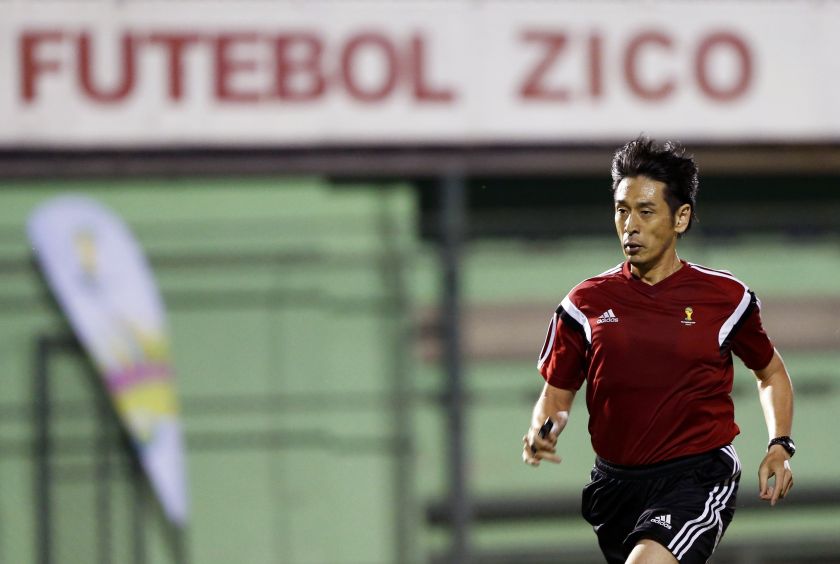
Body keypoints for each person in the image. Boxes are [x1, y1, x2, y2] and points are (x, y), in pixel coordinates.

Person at [521, 137, 795, 564]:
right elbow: (556, 397)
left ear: (680, 218)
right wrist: (544, 430)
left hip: (699, 475)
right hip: (615, 488)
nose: (630, 225)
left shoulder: (725, 298)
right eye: (621, 210)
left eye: (646, 212)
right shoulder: (584, 303)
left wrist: (780, 444)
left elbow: (771, 374)